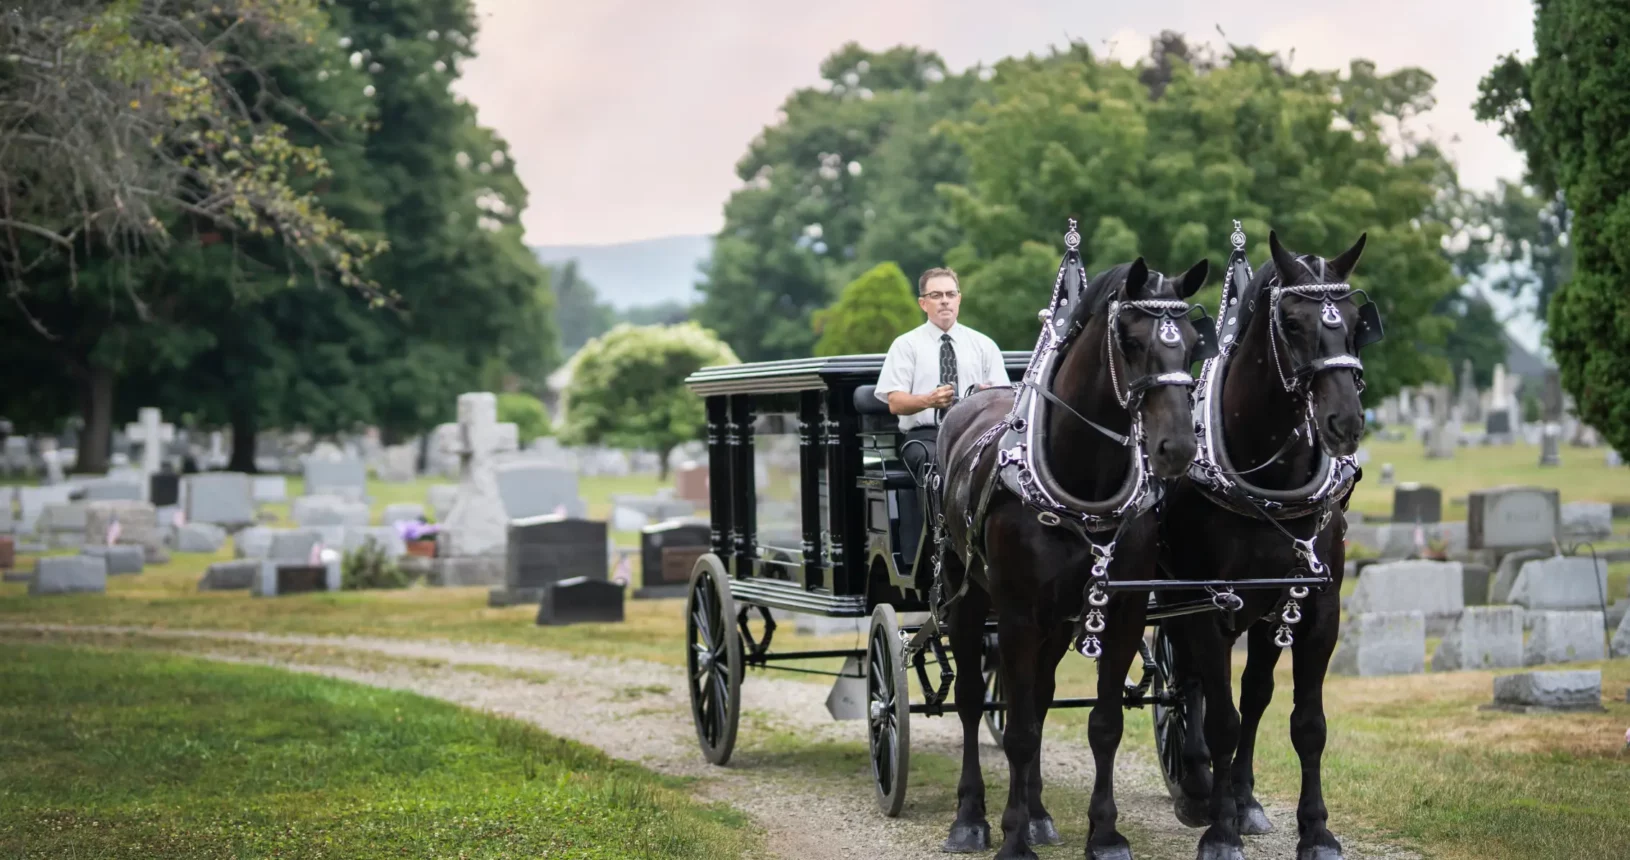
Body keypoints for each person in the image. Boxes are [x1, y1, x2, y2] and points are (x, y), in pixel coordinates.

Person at [873, 266, 1010, 559]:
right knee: (933, 464)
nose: (944, 301)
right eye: (936, 295)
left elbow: (1005, 398)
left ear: (959, 299)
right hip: (926, 435)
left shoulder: (984, 345)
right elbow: (895, 402)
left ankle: (997, 540)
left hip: (978, 435)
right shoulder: (906, 345)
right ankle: (940, 541)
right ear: (923, 303)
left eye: (950, 294)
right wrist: (928, 400)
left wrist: (987, 394)